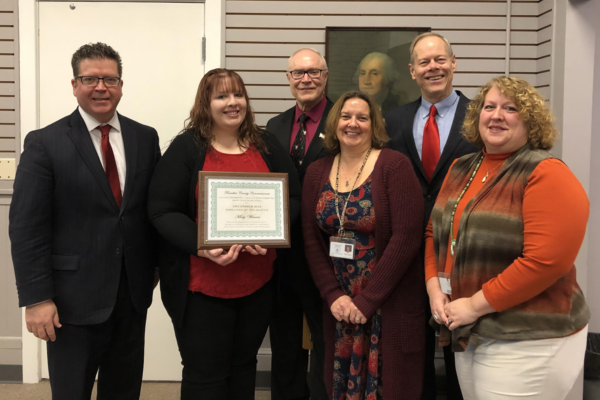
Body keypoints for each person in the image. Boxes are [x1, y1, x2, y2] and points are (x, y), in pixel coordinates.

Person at [9, 43, 160, 399]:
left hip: (131, 295)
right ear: (74, 84)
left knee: (123, 391)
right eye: (90, 78)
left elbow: (150, 211)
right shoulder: (46, 143)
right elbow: (26, 227)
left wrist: (154, 270)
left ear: (121, 85)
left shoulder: (145, 137)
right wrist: (36, 298)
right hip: (70, 302)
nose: (100, 87)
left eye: (109, 79)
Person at [425, 76, 590, 399]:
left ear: (530, 121)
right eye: (489, 107)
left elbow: (545, 262)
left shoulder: (545, 172)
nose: (496, 115)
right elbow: (434, 232)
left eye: (510, 108)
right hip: (471, 330)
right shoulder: (462, 167)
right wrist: (434, 289)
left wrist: (472, 305)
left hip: (529, 336)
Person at [147, 68, 301, 399]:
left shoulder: (267, 143)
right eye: (222, 96)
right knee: (206, 374)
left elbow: (294, 197)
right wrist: (202, 246)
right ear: (206, 103)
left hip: (257, 283)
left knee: (244, 366)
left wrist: (273, 231)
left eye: (238, 94)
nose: (233, 103)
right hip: (202, 286)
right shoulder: (187, 148)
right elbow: (162, 210)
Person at [302, 91, 425, 399]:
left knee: (388, 386)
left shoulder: (395, 166)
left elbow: (406, 238)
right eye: (345, 117)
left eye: (362, 117)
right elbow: (311, 239)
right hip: (340, 306)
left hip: (386, 303)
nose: (352, 124)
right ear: (335, 123)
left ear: (375, 124)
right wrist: (332, 295)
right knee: (339, 385)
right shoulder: (317, 171)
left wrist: (368, 300)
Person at [386, 32, 479, 400]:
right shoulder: (393, 120)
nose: (433, 67)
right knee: (413, 347)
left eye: (440, 59)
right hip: (408, 249)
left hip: (462, 251)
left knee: (459, 346)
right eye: (424, 62)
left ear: (454, 63)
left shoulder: (481, 117)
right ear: (412, 71)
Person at [266, 47, 331, 400]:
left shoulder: (345, 118)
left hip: (327, 248)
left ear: (325, 76)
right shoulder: (275, 125)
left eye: (313, 72)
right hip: (282, 251)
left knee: (325, 337)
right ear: (288, 80)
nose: (305, 79)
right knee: (285, 337)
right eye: (297, 73)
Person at [355, 52, 400, 116]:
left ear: (388, 77)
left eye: (374, 74)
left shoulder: (398, 111)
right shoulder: (350, 106)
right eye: (362, 73)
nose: (366, 81)